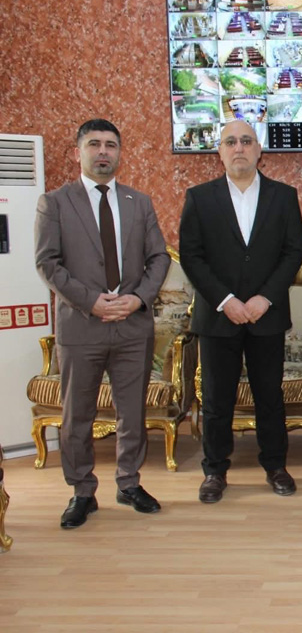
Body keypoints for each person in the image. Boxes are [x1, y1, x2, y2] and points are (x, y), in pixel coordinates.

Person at [35, 119, 170, 529]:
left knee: (133, 412)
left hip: (132, 325)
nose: (103, 152)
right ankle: (82, 491)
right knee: (78, 414)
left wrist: (138, 298)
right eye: (94, 144)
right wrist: (91, 302)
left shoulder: (138, 202)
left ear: (119, 153)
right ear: (79, 152)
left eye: (111, 145)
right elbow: (48, 263)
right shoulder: (55, 203)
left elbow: (159, 257)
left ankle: (129, 483)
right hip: (82, 325)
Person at [179, 120, 302, 503]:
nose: (239, 148)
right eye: (230, 142)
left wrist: (265, 298)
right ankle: (215, 471)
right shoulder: (199, 197)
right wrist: (226, 300)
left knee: (270, 397)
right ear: (220, 151)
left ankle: (276, 466)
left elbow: (293, 252)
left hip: (267, 314)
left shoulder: (283, 196)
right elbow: (191, 256)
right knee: (217, 401)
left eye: (246, 141)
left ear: (258, 150)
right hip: (218, 316)